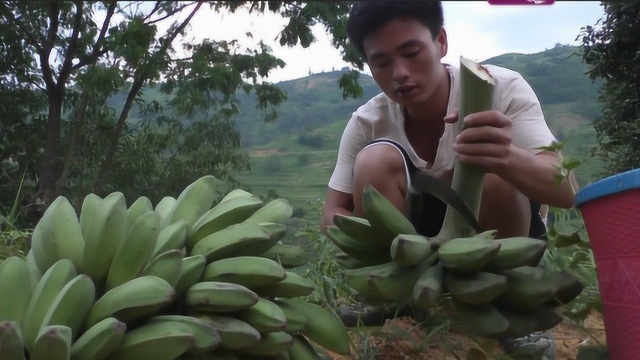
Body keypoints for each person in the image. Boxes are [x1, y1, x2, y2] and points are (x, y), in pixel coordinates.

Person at [320, 1, 576, 357]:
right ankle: (396, 298)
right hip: (411, 251)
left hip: (499, 235)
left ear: (440, 41)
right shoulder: (368, 121)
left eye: (412, 52)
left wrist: (506, 155)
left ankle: (506, 305)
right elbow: (333, 211)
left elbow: (566, 192)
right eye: (382, 62)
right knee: (374, 162)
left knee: (493, 175)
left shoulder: (501, 89)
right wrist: (366, 234)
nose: (400, 73)